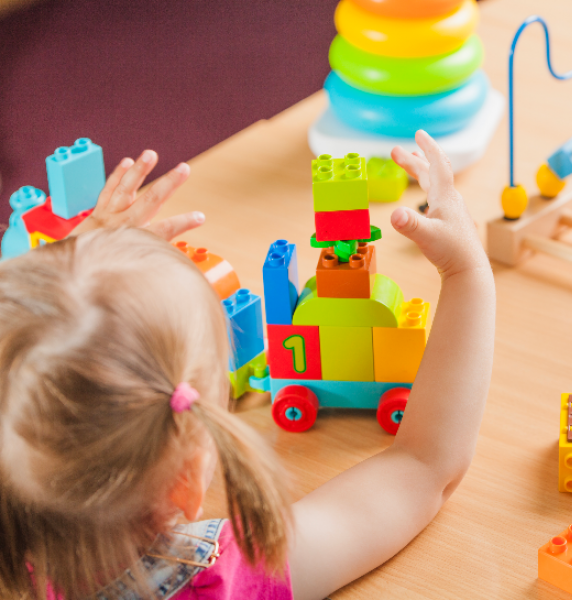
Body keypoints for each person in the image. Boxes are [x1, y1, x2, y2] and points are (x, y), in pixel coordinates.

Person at [0, 130, 496, 600]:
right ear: (186, 483)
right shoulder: (226, 579)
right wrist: (468, 271)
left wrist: (61, 280)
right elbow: (424, 465)